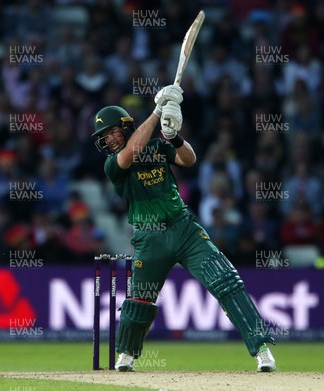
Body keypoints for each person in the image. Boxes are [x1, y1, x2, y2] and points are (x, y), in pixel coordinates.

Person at [91, 85, 276, 372]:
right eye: (105, 137)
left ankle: (261, 349)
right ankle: (126, 355)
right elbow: (131, 152)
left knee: (226, 281)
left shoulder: (157, 147)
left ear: (126, 128)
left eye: (113, 132)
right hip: (149, 236)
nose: (109, 140)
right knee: (140, 300)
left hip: (184, 228)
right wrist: (156, 111)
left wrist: (173, 136)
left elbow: (189, 160)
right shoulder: (112, 164)